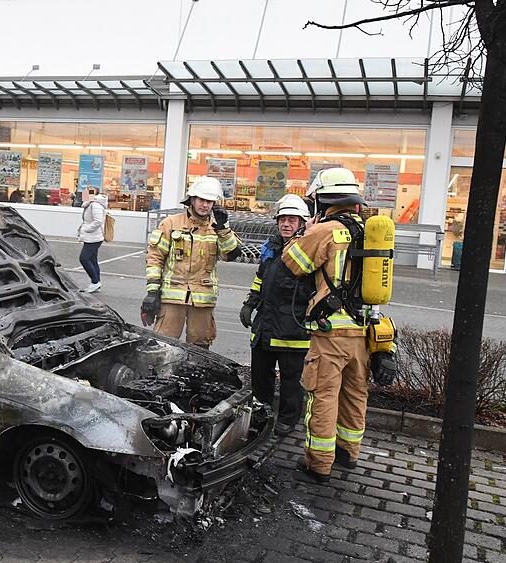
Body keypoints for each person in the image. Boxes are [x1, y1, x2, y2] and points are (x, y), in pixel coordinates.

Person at [281, 167, 371, 483]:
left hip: (331, 330)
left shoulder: (327, 230)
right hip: (363, 329)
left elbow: (293, 263)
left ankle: (318, 464)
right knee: (354, 394)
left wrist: (307, 231)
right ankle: (349, 453)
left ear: (323, 199)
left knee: (324, 395)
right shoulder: (370, 230)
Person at [240, 194, 313, 436]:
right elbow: (260, 279)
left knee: (292, 380)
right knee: (261, 376)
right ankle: (261, 416)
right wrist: (250, 303)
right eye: (282, 219)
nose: (286, 224)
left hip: (292, 326)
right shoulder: (272, 246)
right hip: (266, 325)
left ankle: (288, 420)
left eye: (292, 220)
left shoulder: (308, 248)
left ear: (302, 223)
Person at [141, 176, 240, 349]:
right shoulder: (171, 224)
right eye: (202, 200)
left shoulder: (218, 227)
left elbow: (230, 255)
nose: (205, 205)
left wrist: (223, 229)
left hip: (203, 300)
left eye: (210, 201)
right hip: (172, 298)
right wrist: (152, 292)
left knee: (200, 348)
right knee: (163, 345)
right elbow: (155, 258)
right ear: (192, 199)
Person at [77, 186, 107, 293]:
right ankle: (96, 283)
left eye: (87, 192)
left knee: (84, 258)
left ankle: (95, 282)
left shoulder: (95, 205)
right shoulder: (90, 204)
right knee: (93, 260)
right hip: (92, 236)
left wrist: (86, 229)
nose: (84, 193)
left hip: (94, 237)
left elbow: (97, 221)